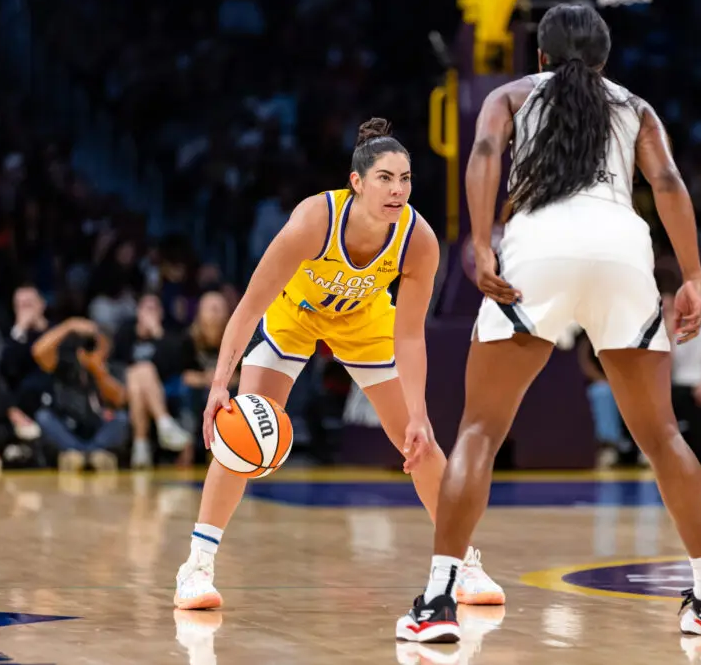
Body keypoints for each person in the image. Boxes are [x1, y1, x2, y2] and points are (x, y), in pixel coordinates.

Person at [396, 4, 701, 643]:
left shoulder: (511, 95)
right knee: (663, 436)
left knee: (480, 431)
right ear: (605, 60)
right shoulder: (635, 106)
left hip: (540, 249)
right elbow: (667, 181)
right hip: (622, 252)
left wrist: (480, 242)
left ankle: (438, 602)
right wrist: (693, 275)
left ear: (540, 56)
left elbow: (483, 152)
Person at [174, 119, 503, 610]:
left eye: (405, 179)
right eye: (385, 178)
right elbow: (248, 307)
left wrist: (418, 413)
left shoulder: (418, 239)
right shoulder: (314, 220)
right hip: (294, 316)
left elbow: (410, 335)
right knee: (241, 428)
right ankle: (196, 568)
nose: (397, 189)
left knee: (420, 441)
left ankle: (461, 565)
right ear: (357, 183)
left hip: (363, 322)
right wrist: (220, 384)